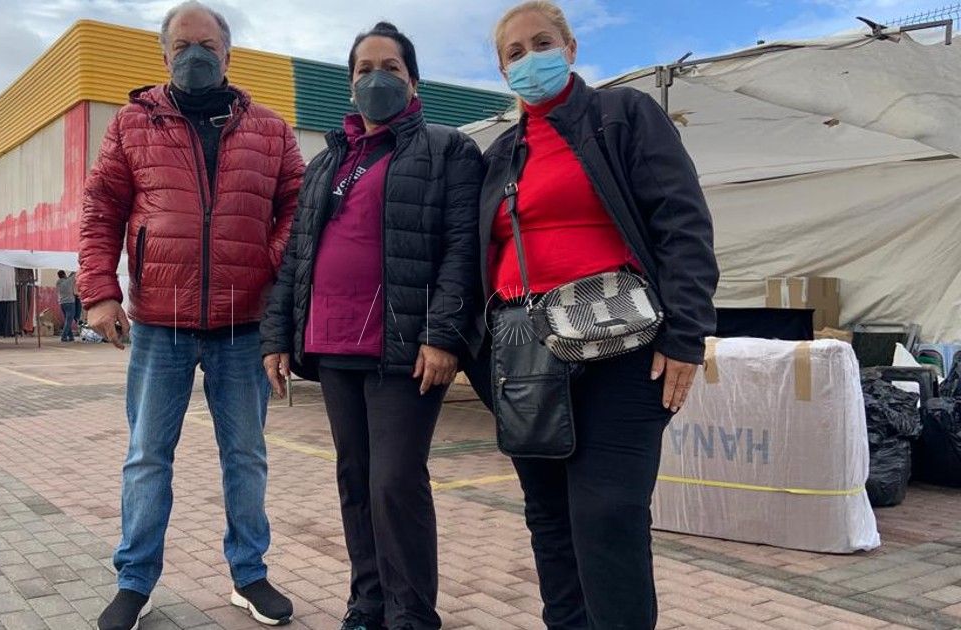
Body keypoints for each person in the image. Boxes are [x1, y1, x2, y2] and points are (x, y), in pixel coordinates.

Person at [467, 2, 719, 628]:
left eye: (542, 42)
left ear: (572, 48)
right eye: (515, 53)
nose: (531, 59)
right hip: (529, 358)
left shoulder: (623, 116)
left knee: (608, 515)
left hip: (623, 346)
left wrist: (687, 335)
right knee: (549, 517)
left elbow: (682, 222)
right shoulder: (499, 155)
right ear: (502, 71)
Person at [77, 2, 304, 628]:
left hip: (242, 324)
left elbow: (299, 205)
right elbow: (101, 209)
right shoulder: (131, 123)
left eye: (208, 44)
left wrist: (267, 258)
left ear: (229, 55)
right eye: (183, 46)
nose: (195, 55)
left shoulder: (271, 129)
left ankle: (249, 575)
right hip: (159, 322)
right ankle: (135, 580)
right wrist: (99, 291)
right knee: (147, 455)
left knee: (247, 456)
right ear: (165, 56)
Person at [260, 22, 483, 630]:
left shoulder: (448, 149)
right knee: (355, 478)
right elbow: (297, 256)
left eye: (390, 66)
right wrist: (278, 336)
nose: (375, 78)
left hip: (405, 347)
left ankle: (412, 612)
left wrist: (444, 334)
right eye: (363, 68)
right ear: (350, 81)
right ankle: (368, 602)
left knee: (394, 481)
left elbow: (464, 249)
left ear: (412, 81)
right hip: (331, 344)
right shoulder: (327, 161)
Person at [56, 270, 77, 342]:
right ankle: (63, 336)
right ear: (64, 274)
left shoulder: (58, 283)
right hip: (70, 303)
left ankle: (71, 336)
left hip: (62, 303)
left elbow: (70, 277)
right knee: (69, 321)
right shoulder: (69, 281)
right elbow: (74, 274)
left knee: (67, 320)